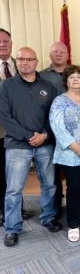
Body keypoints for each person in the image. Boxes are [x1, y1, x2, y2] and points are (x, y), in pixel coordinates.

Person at [0, 47, 62, 247]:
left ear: (36, 62)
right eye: (20, 59)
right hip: (17, 145)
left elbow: (54, 117)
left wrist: (44, 135)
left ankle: (49, 217)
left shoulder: (48, 87)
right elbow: (4, 117)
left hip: (44, 144)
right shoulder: (6, 86)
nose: (25, 63)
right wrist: (28, 136)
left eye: (29, 59)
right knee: (14, 190)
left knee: (49, 185)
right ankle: (12, 228)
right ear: (16, 62)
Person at [50, 65, 80, 242]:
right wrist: (76, 147)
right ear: (66, 81)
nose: (75, 79)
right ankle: (73, 224)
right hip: (70, 153)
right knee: (74, 187)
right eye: (71, 77)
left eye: (79, 76)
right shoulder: (59, 101)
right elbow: (57, 127)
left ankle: (79, 217)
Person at [0, 28, 31, 227]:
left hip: (20, 131)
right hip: (0, 131)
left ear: (11, 43)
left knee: (14, 175)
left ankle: (16, 209)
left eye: (6, 41)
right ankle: (4, 211)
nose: (2, 44)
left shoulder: (22, 66)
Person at [40, 41, 70, 218]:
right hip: (49, 132)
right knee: (52, 174)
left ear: (67, 54)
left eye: (62, 51)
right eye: (55, 51)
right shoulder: (41, 76)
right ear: (50, 54)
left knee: (72, 172)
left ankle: (77, 204)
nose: (59, 54)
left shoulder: (75, 73)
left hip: (73, 133)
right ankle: (55, 207)